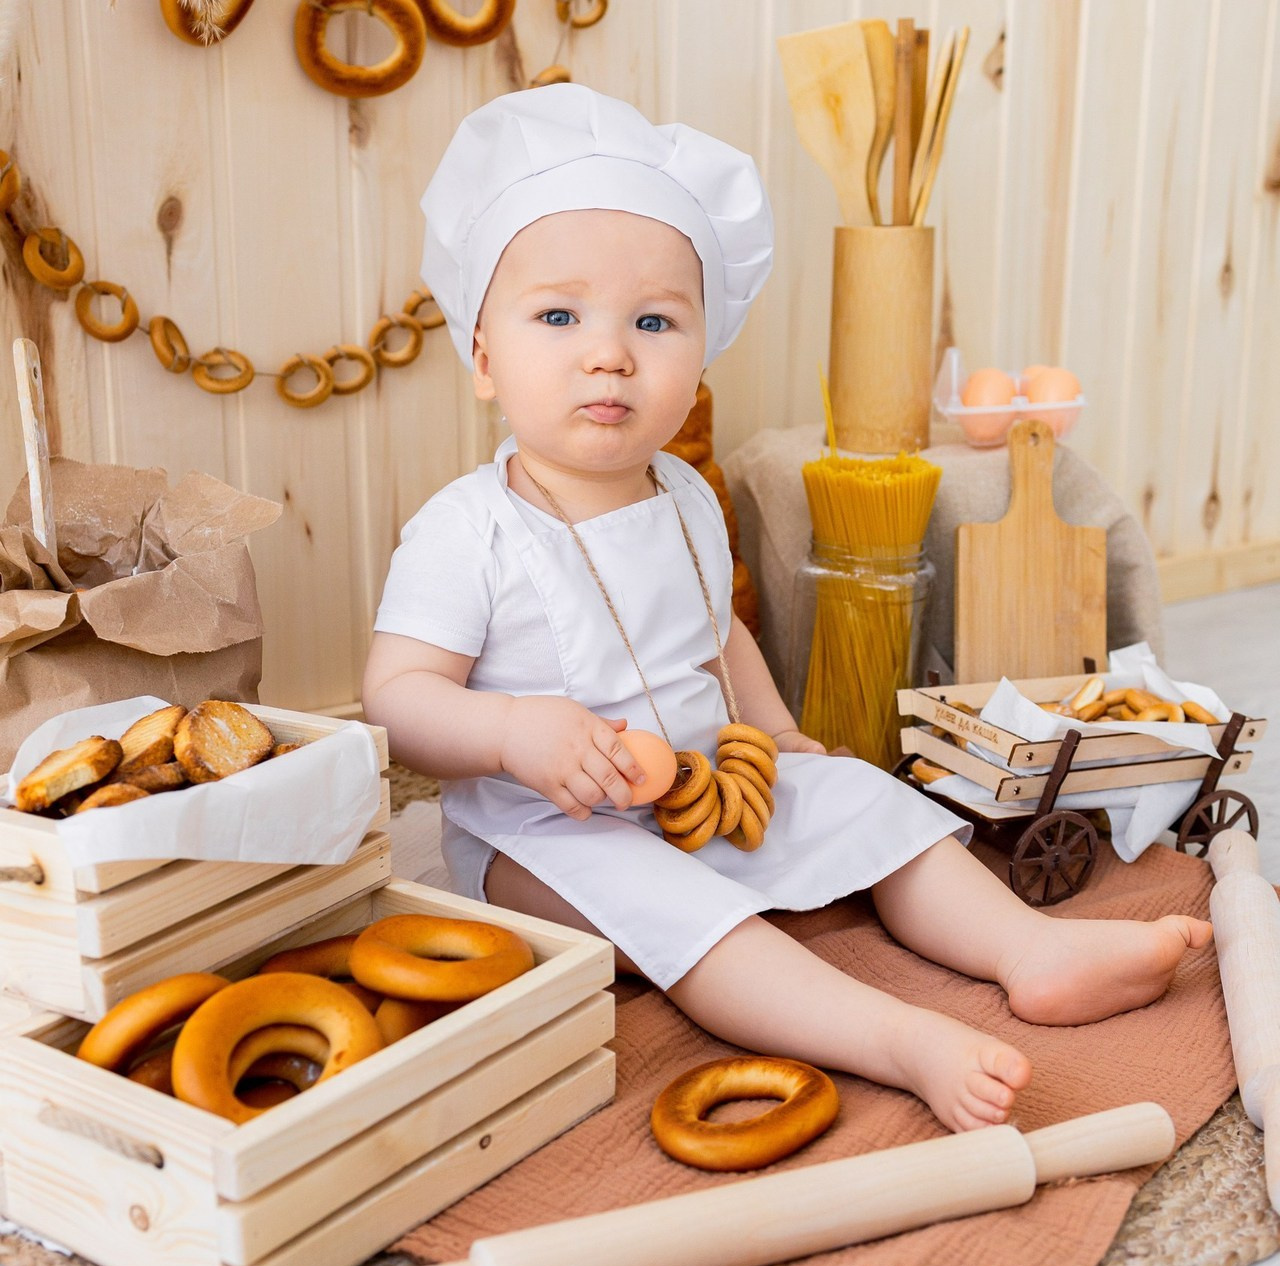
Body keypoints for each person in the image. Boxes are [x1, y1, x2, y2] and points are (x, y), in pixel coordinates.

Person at [363, 84, 1211, 1133]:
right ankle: (893, 1037)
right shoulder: (467, 528)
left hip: (711, 780)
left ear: (699, 355)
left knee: (865, 798)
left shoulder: (681, 494)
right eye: (556, 315)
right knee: (691, 921)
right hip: (547, 830)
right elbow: (396, 697)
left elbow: (714, 629)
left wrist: (770, 731)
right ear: (483, 357)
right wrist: (509, 729)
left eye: (654, 320)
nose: (608, 351)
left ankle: (1024, 948)